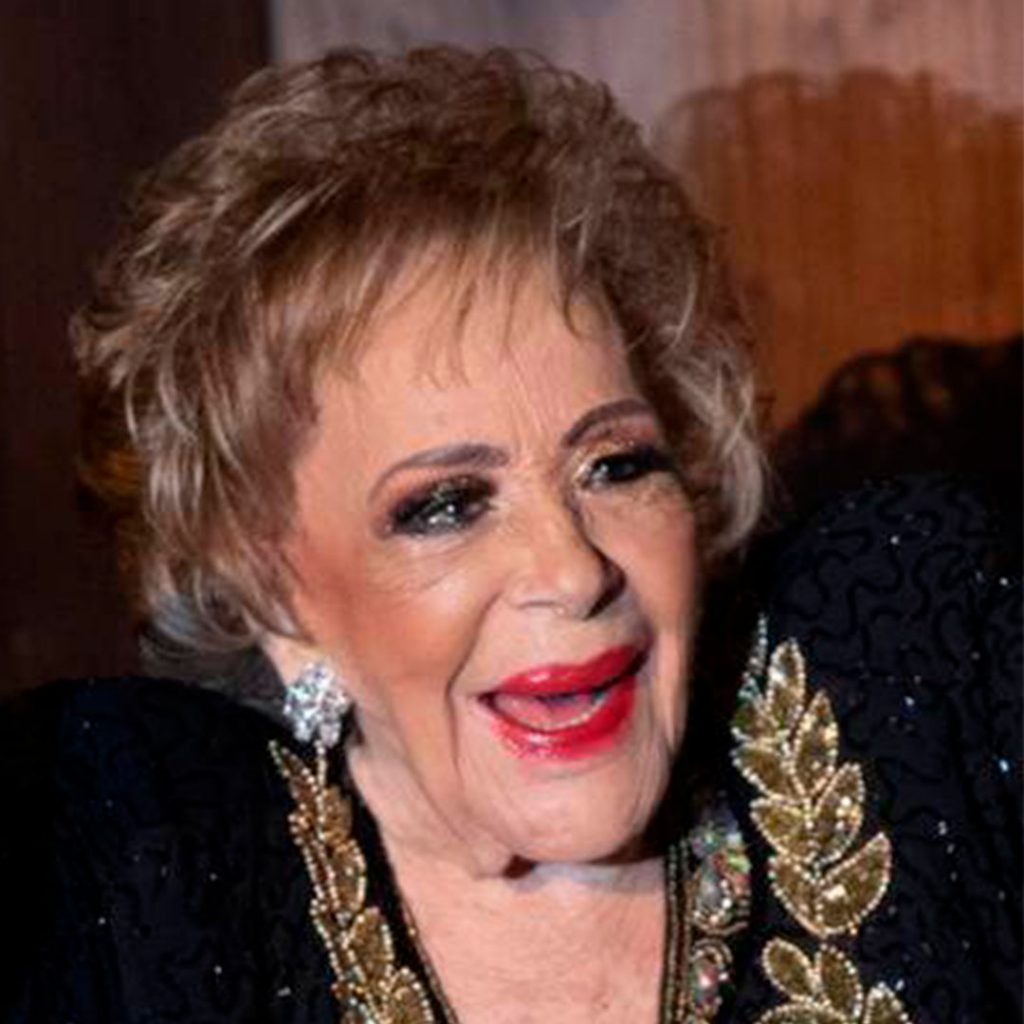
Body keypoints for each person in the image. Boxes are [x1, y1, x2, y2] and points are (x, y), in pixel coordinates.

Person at [1, 47, 1018, 1024]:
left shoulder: (912, 669)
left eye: (617, 465)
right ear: (271, 587)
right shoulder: (139, 869)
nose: (572, 569)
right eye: (445, 504)